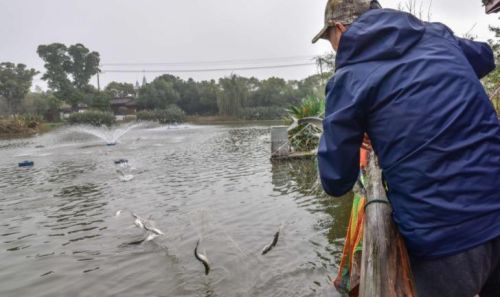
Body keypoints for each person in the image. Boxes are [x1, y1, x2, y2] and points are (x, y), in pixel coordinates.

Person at [312, 0, 500, 296]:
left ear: (341, 28)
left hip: (444, 237)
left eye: (330, 38)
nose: (332, 47)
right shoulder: (436, 35)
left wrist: (365, 122)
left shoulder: (349, 78)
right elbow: (485, 59)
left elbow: (335, 180)